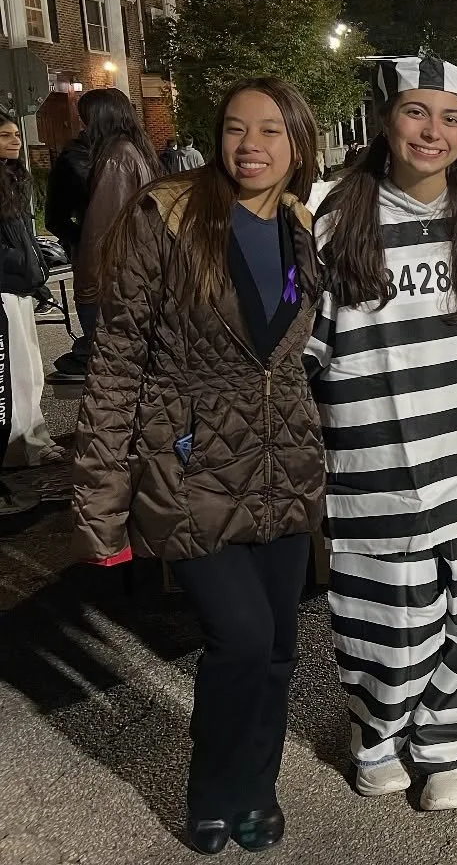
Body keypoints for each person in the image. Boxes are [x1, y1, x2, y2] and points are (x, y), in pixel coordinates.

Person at [71, 78, 325, 855]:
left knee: (280, 645)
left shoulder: (299, 225)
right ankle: (213, 791)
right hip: (189, 463)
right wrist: (101, 497)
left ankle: (259, 786)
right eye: (235, 128)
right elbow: (117, 360)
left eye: (271, 131)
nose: (250, 144)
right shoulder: (168, 216)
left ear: (299, 143)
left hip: (281, 460)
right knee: (241, 636)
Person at [305, 56, 457, 811]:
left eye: (451, 117)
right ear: (385, 120)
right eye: (416, 112)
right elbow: (309, 348)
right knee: (384, 618)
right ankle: (378, 734)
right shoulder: (336, 221)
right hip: (374, 458)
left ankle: (447, 746)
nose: (433, 131)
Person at [46, 88, 161, 382]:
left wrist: (88, 286)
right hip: (134, 277)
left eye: (84, 117)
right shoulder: (136, 150)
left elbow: (103, 228)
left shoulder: (117, 157)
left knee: (112, 375)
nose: (80, 123)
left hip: (112, 282)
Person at [0, 112, 64, 469]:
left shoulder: (14, 178)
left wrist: (35, 271)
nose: (15, 141)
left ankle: (33, 439)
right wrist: (20, 266)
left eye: (15, 134)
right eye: (5, 135)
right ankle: (18, 446)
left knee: (28, 370)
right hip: (6, 288)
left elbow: (23, 234)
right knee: (13, 373)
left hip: (22, 287)